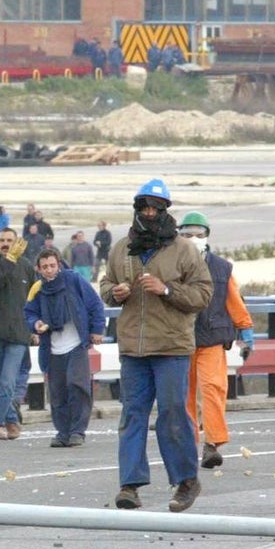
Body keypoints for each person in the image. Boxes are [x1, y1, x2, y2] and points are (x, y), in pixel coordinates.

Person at [100, 178, 212, 512]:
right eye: (144, 207)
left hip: (172, 348)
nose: (149, 213)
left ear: (165, 211)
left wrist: (166, 290)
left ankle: (186, 481)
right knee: (132, 415)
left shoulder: (184, 249)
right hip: (133, 348)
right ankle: (129, 485)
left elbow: (203, 294)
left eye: (155, 208)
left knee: (172, 413)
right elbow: (105, 283)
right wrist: (113, 292)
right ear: (137, 209)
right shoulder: (121, 248)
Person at [178, 211, 255, 469]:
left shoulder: (222, 268)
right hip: (180, 339)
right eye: (187, 234)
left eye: (198, 235)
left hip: (211, 338)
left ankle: (212, 444)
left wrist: (245, 331)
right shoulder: (170, 264)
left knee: (212, 388)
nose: (193, 239)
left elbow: (234, 300)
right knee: (183, 395)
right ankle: (189, 444)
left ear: (207, 236)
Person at [25, 247, 106, 447]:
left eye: (52, 266)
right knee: (57, 391)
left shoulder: (74, 280)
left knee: (76, 385)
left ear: (59, 265)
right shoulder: (37, 289)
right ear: (38, 269)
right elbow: (29, 313)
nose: (49, 270)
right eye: (44, 267)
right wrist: (35, 324)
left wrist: (97, 329)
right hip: (52, 348)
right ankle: (62, 432)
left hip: (77, 344)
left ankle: (78, 431)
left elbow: (95, 304)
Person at [0, 228, 35, 440]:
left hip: (18, 333)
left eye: (10, 240)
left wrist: (35, 326)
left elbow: (34, 296)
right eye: (2, 240)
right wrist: (9, 260)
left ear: (17, 242)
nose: (5, 243)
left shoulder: (27, 266)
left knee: (7, 382)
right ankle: (12, 420)